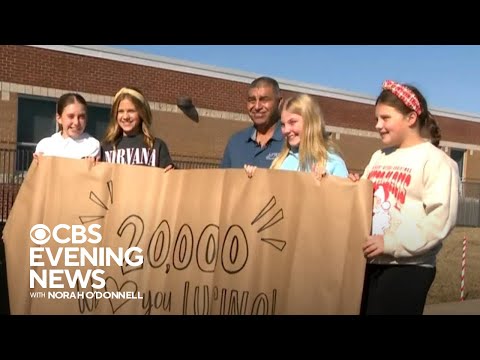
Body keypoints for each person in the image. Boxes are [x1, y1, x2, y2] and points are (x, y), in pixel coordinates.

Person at [349, 80, 459, 315]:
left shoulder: (437, 162)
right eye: (376, 119)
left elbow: (438, 223)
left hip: (408, 269)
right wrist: (353, 188)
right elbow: (364, 202)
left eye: (385, 118)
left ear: (410, 118)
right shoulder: (378, 156)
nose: (378, 125)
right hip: (368, 263)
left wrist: (390, 243)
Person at [244, 93, 349, 179]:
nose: (286, 130)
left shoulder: (333, 163)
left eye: (292, 122)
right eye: (283, 124)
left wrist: (327, 184)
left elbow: (344, 202)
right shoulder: (281, 161)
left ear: (310, 122)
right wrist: (254, 179)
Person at [100, 86, 174, 171]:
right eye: (120, 111)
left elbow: (170, 180)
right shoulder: (105, 148)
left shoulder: (157, 146)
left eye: (131, 111)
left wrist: (173, 173)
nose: (125, 117)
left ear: (142, 113)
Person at [220, 76, 284, 168]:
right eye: (252, 100)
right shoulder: (236, 142)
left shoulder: (292, 141)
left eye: (264, 99)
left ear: (279, 102)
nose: (257, 107)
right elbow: (224, 180)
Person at [34, 93, 100, 160]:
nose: (76, 122)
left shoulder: (92, 145)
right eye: (71, 116)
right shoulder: (45, 146)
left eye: (81, 117)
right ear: (59, 118)